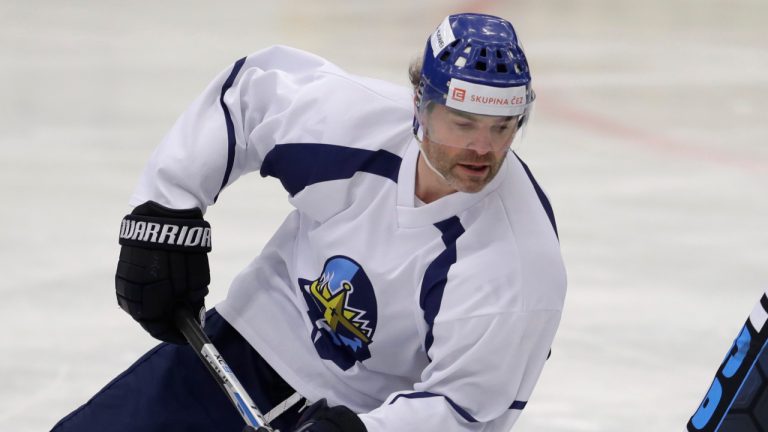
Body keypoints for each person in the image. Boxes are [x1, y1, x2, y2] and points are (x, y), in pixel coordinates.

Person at [52, 12, 566, 432]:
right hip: (249, 342)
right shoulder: (354, 124)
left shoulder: (517, 261)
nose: (483, 148)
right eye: (463, 124)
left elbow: (465, 408)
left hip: (364, 411)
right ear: (420, 107)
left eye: (503, 128)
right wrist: (166, 210)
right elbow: (246, 101)